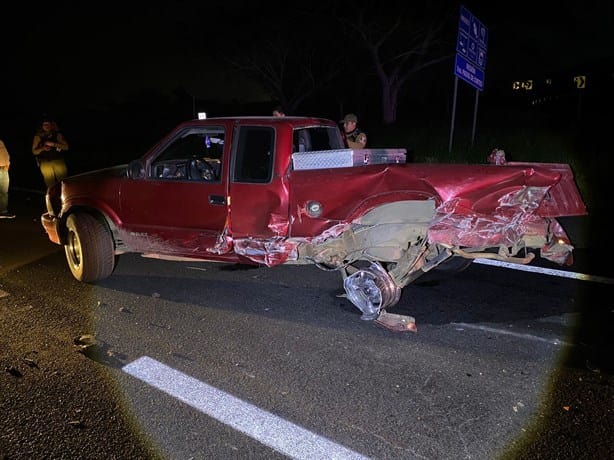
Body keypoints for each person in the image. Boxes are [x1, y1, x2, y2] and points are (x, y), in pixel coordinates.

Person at [32, 116, 70, 188]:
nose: (47, 126)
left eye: (48, 124)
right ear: (41, 126)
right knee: (50, 184)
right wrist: (43, 148)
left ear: (52, 125)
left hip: (58, 161)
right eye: (45, 124)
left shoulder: (57, 134)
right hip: (45, 163)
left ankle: (65, 197)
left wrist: (53, 144)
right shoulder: (37, 137)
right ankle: (52, 197)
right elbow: (34, 152)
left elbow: (66, 147)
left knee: (63, 182)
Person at [0, 138, 15, 218]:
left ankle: (3, 211)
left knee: (4, 192)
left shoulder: (1, 141)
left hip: (4, 169)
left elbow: (6, 154)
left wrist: (7, 164)